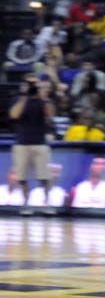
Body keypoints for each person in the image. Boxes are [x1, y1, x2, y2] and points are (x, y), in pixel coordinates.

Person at [8, 76, 55, 204]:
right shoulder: (18, 100)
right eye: (29, 85)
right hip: (21, 143)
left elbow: (50, 116)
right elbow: (14, 115)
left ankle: (46, 200)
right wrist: (24, 97)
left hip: (40, 143)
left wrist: (44, 97)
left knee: (44, 177)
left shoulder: (43, 101)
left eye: (34, 85)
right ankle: (26, 200)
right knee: (21, 178)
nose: (32, 88)